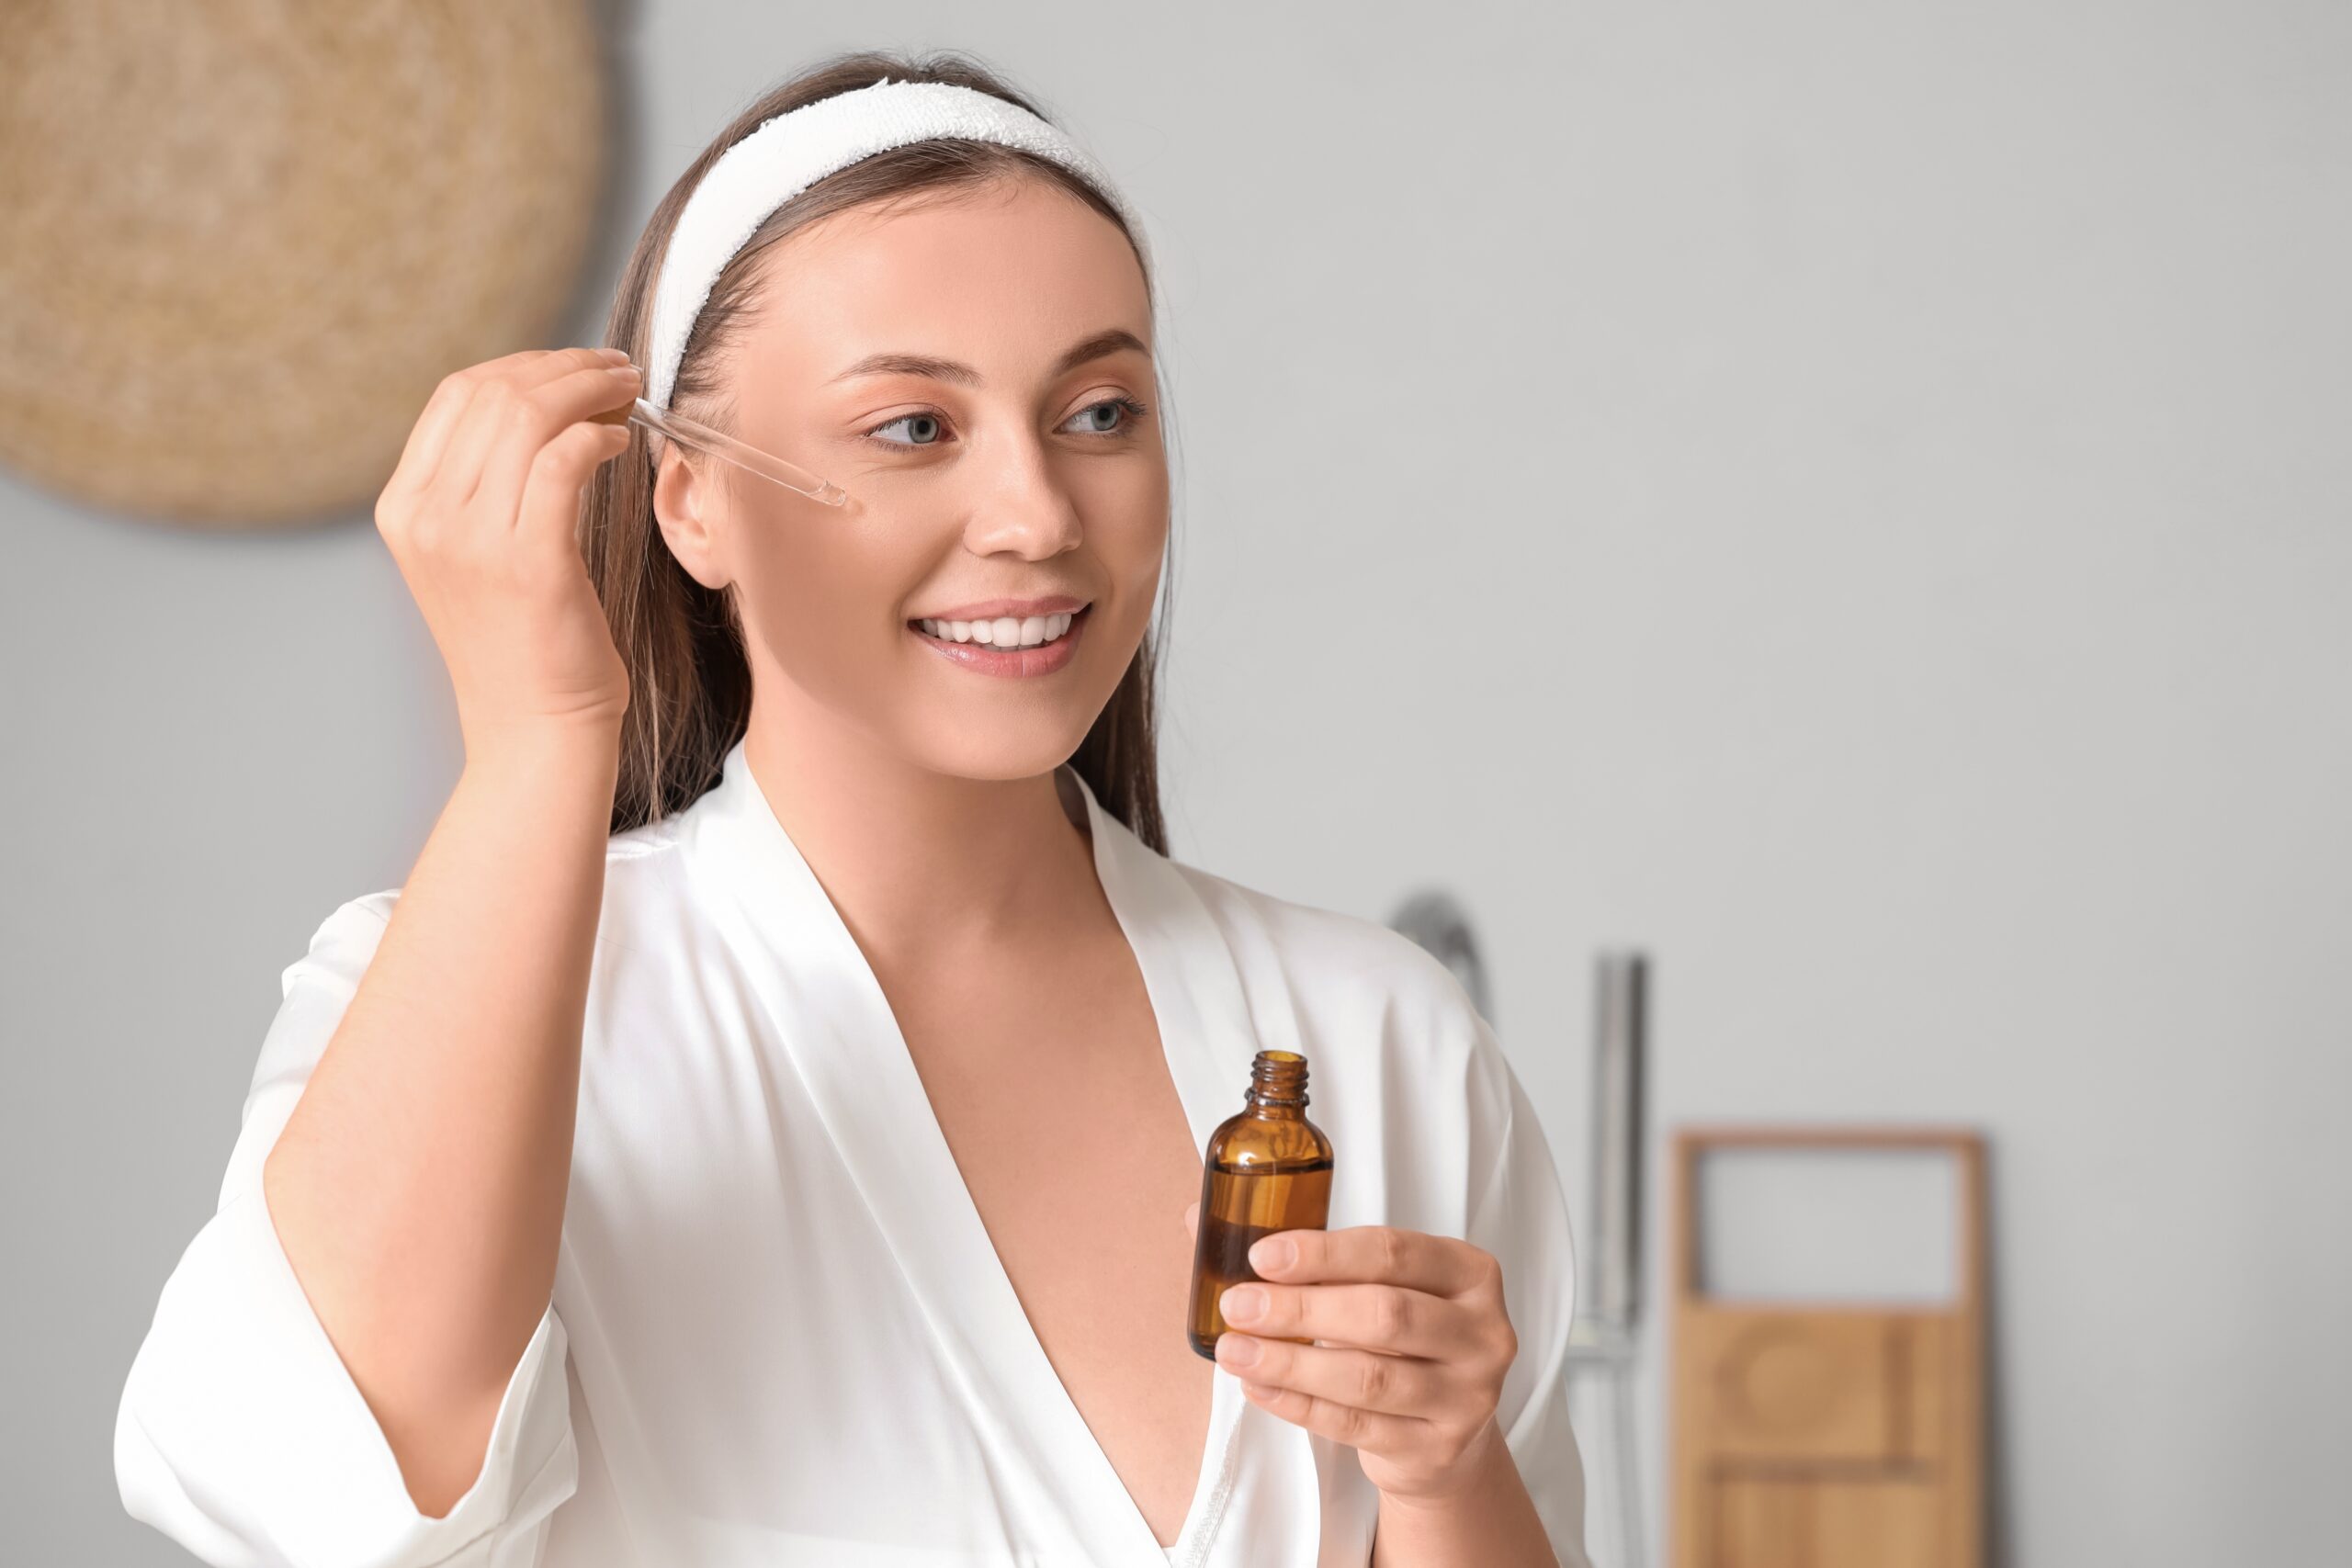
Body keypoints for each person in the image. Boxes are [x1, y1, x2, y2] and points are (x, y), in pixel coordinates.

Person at [113, 50, 1593, 1568]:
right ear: (688, 497)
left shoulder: (1383, 1041)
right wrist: (539, 736)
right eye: (912, 429)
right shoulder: (475, 1005)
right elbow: (332, 1497)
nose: (1035, 514)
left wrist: (1443, 1476)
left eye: (1098, 412)